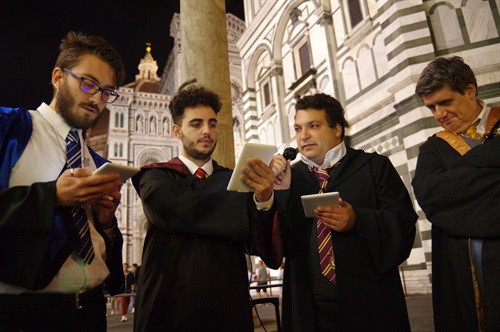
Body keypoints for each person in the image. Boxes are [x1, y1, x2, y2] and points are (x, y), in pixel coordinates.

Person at [0, 31, 126, 331]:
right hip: (24, 315)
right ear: (58, 77)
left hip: (90, 313)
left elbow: (98, 245)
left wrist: (106, 222)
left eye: (107, 92)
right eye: (88, 84)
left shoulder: (96, 162)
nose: (97, 99)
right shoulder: (10, 127)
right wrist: (51, 197)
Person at [131, 85, 283, 332]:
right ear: (177, 131)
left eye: (212, 124)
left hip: (228, 307)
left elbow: (261, 242)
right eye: (196, 124)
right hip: (170, 309)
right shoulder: (156, 177)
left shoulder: (236, 179)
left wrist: (263, 198)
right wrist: (240, 188)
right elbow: (173, 206)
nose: (207, 131)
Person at [272, 93, 417, 331]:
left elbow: (403, 223)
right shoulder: (291, 178)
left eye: (314, 126)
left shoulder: (373, 167)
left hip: (370, 305)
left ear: (337, 129)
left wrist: (359, 220)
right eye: (298, 128)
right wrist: (281, 193)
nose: (303, 136)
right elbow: (280, 244)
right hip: (310, 308)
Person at [412, 56, 500, 332]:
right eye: (432, 108)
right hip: (462, 268)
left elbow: (449, 194)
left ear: (470, 90)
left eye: (445, 102)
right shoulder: (432, 149)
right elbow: (431, 196)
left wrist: (461, 190)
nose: (439, 114)